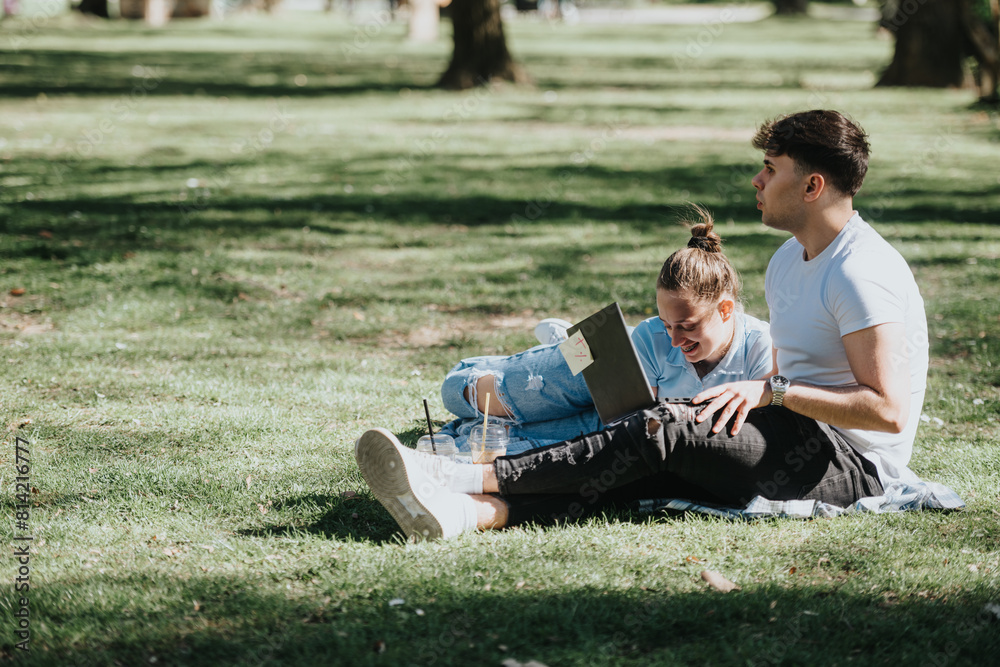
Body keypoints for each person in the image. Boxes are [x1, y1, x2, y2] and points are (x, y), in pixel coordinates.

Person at [355, 109, 930, 541]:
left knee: (665, 430)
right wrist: (760, 400)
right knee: (650, 474)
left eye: (770, 169)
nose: (757, 181)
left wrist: (770, 391)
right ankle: (469, 515)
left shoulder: (860, 272)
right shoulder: (787, 260)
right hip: (792, 434)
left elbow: (887, 409)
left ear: (812, 186)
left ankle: (460, 478)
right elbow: (791, 370)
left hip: (851, 465)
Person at [436, 206, 773, 455]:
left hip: (621, 412)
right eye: (667, 324)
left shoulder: (760, 347)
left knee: (560, 436)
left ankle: (464, 432)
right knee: (455, 392)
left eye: (687, 326)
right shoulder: (652, 336)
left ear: (726, 309)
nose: (674, 339)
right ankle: (562, 346)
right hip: (613, 352)